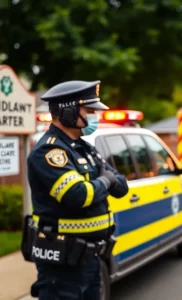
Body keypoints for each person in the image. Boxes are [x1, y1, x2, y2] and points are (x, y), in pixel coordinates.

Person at [26, 80, 129, 299]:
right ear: (68, 111)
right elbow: (78, 195)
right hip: (63, 265)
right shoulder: (49, 151)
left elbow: (122, 187)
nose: (95, 117)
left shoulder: (85, 148)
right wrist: (106, 181)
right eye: (90, 110)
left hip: (92, 258)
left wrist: (106, 181)